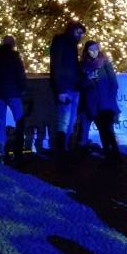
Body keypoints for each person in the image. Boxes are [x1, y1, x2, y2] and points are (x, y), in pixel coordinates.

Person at [0, 35, 27, 164]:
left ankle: (3, 153)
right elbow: (21, 74)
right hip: (14, 93)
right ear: (12, 44)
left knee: (1, 123)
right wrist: (23, 88)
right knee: (19, 121)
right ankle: (18, 152)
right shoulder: (15, 56)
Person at [78, 40, 120, 160]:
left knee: (109, 130)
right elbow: (81, 85)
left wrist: (110, 99)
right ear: (86, 51)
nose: (94, 52)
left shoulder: (105, 62)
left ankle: (116, 155)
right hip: (92, 103)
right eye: (91, 50)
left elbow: (114, 83)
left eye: (96, 49)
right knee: (102, 130)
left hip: (106, 103)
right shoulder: (83, 66)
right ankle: (108, 155)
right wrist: (88, 79)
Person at [49, 21, 86, 154]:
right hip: (65, 88)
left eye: (82, 33)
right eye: (78, 32)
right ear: (71, 30)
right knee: (64, 120)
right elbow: (56, 66)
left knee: (71, 119)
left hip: (74, 87)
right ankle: (61, 148)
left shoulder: (72, 45)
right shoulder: (61, 43)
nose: (80, 35)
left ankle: (67, 146)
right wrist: (60, 90)